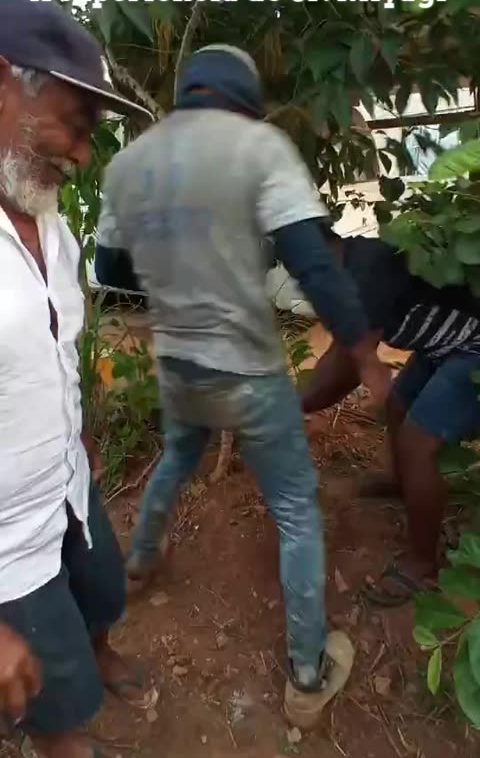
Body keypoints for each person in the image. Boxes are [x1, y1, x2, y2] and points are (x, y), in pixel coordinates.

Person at [96, 43, 391, 730]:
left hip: (179, 361)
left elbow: (110, 267)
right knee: (294, 509)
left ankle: (139, 565)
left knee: (177, 455)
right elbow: (314, 266)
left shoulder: (132, 161)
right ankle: (308, 674)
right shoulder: (261, 149)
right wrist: (365, 356)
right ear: (245, 96)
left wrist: (177, 279)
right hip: (249, 370)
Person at [0, 0, 156, 758]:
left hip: (66, 481)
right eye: (74, 124)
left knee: (100, 588)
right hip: (6, 550)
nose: (84, 154)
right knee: (58, 712)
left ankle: (98, 651)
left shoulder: (48, 222)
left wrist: (78, 438)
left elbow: (54, 354)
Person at [301, 226, 480, 606]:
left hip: (474, 348)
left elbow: (344, 370)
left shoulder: (364, 274)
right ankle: (404, 484)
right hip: (443, 344)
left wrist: (287, 405)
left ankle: (422, 567)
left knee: (419, 444)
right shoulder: (349, 269)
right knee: (399, 403)